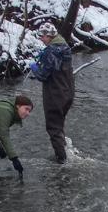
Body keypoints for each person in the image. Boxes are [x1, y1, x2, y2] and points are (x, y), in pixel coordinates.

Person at [28, 20, 74, 164]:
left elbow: (43, 75)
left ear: (49, 36)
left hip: (55, 95)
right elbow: (57, 67)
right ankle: (65, 151)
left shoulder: (50, 51)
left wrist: (34, 67)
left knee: (53, 128)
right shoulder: (65, 47)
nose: (41, 39)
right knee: (59, 125)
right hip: (68, 93)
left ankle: (62, 161)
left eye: (42, 36)